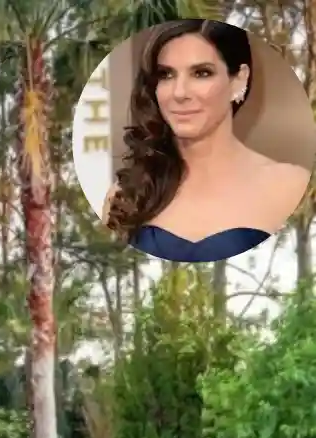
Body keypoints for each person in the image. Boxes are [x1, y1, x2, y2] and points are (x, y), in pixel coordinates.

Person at [102, 19, 309, 263]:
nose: (179, 93)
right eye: (166, 75)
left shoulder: (288, 185)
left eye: (201, 73)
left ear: (239, 80)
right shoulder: (126, 195)